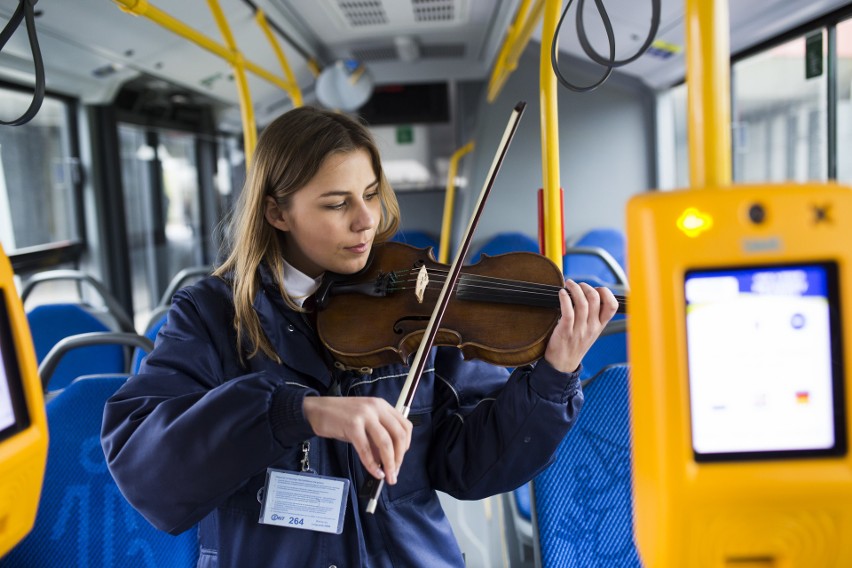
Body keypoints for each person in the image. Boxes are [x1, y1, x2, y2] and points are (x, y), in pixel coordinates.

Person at [101, 105, 619, 567]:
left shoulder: (419, 302)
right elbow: (144, 465)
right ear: (277, 212)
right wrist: (294, 412)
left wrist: (553, 376)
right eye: (335, 204)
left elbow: (473, 468)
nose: (366, 220)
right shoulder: (213, 315)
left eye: (371, 194)